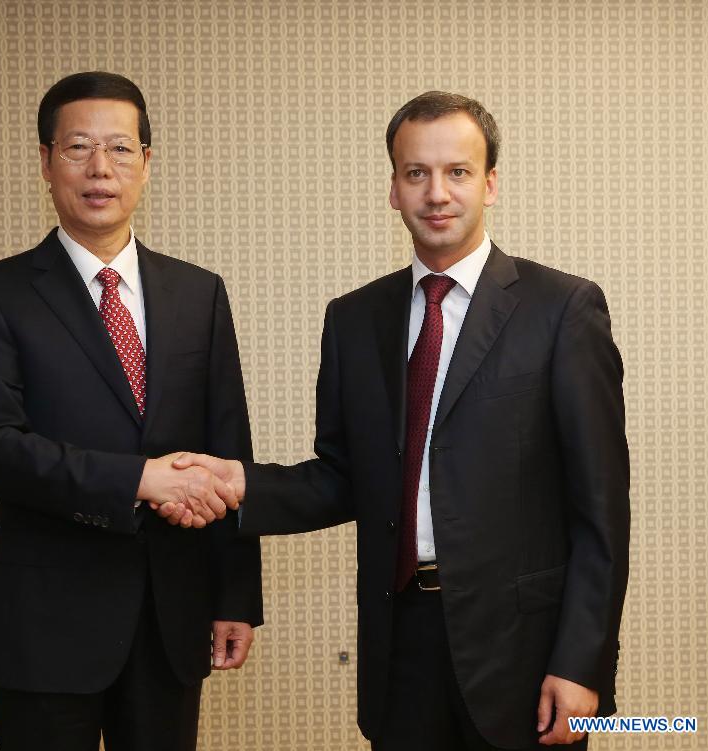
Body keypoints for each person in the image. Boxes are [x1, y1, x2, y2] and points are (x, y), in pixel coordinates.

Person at [168, 92, 630, 750]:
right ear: (393, 188)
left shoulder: (562, 309)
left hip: (524, 651)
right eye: (416, 173)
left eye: (458, 172)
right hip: (399, 643)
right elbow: (342, 478)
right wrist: (240, 484)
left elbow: (601, 509)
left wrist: (581, 663)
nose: (437, 191)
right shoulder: (353, 319)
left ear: (491, 183)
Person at [0, 71, 262, 751]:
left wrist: (236, 595)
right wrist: (141, 479)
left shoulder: (198, 292)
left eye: (120, 149)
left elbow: (229, 445)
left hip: (170, 617)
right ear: (45, 161)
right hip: (43, 624)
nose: (99, 168)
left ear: (146, 163)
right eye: (78, 147)